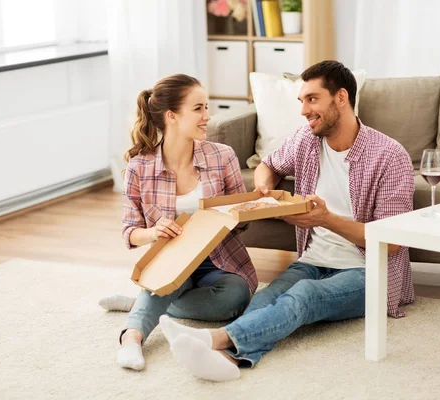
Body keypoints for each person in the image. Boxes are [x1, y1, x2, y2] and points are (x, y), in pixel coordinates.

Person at [159, 61, 416, 382]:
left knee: (304, 295)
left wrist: (326, 219)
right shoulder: (307, 140)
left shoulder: (389, 155)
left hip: (368, 272)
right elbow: (269, 165)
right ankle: (231, 360)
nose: (304, 110)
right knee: (266, 297)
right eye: (301, 101)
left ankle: (215, 339)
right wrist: (264, 189)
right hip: (313, 259)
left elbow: (390, 245)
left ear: (341, 98)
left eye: (312, 99)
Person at [107, 74, 258, 371]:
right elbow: (129, 232)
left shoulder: (222, 156)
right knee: (166, 283)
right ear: (171, 116)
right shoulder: (140, 167)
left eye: (207, 107)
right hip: (172, 260)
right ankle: (131, 338)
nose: (207, 116)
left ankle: (146, 301)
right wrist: (153, 232)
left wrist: (245, 209)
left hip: (220, 261)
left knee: (236, 298)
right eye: (198, 108)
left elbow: (241, 222)